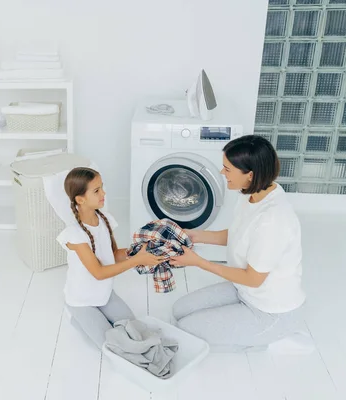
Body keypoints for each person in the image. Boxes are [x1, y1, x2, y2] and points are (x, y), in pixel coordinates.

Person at [169, 135, 307, 352]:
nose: (222, 173)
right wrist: (194, 235)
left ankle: (275, 335)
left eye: (228, 169)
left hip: (270, 310)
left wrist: (199, 262)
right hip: (243, 291)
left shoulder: (273, 219)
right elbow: (238, 234)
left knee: (186, 328)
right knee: (179, 310)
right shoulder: (250, 195)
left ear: (250, 175)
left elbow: (253, 279)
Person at [57, 167, 165, 348]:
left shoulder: (105, 219)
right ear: (80, 199)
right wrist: (137, 260)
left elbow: (114, 255)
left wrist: (139, 251)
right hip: (82, 301)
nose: (103, 193)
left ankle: (92, 319)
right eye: (97, 190)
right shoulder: (74, 235)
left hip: (104, 294)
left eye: (102, 188)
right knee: (112, 345)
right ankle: (76, 317)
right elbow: (98, 273)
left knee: (135, 331)